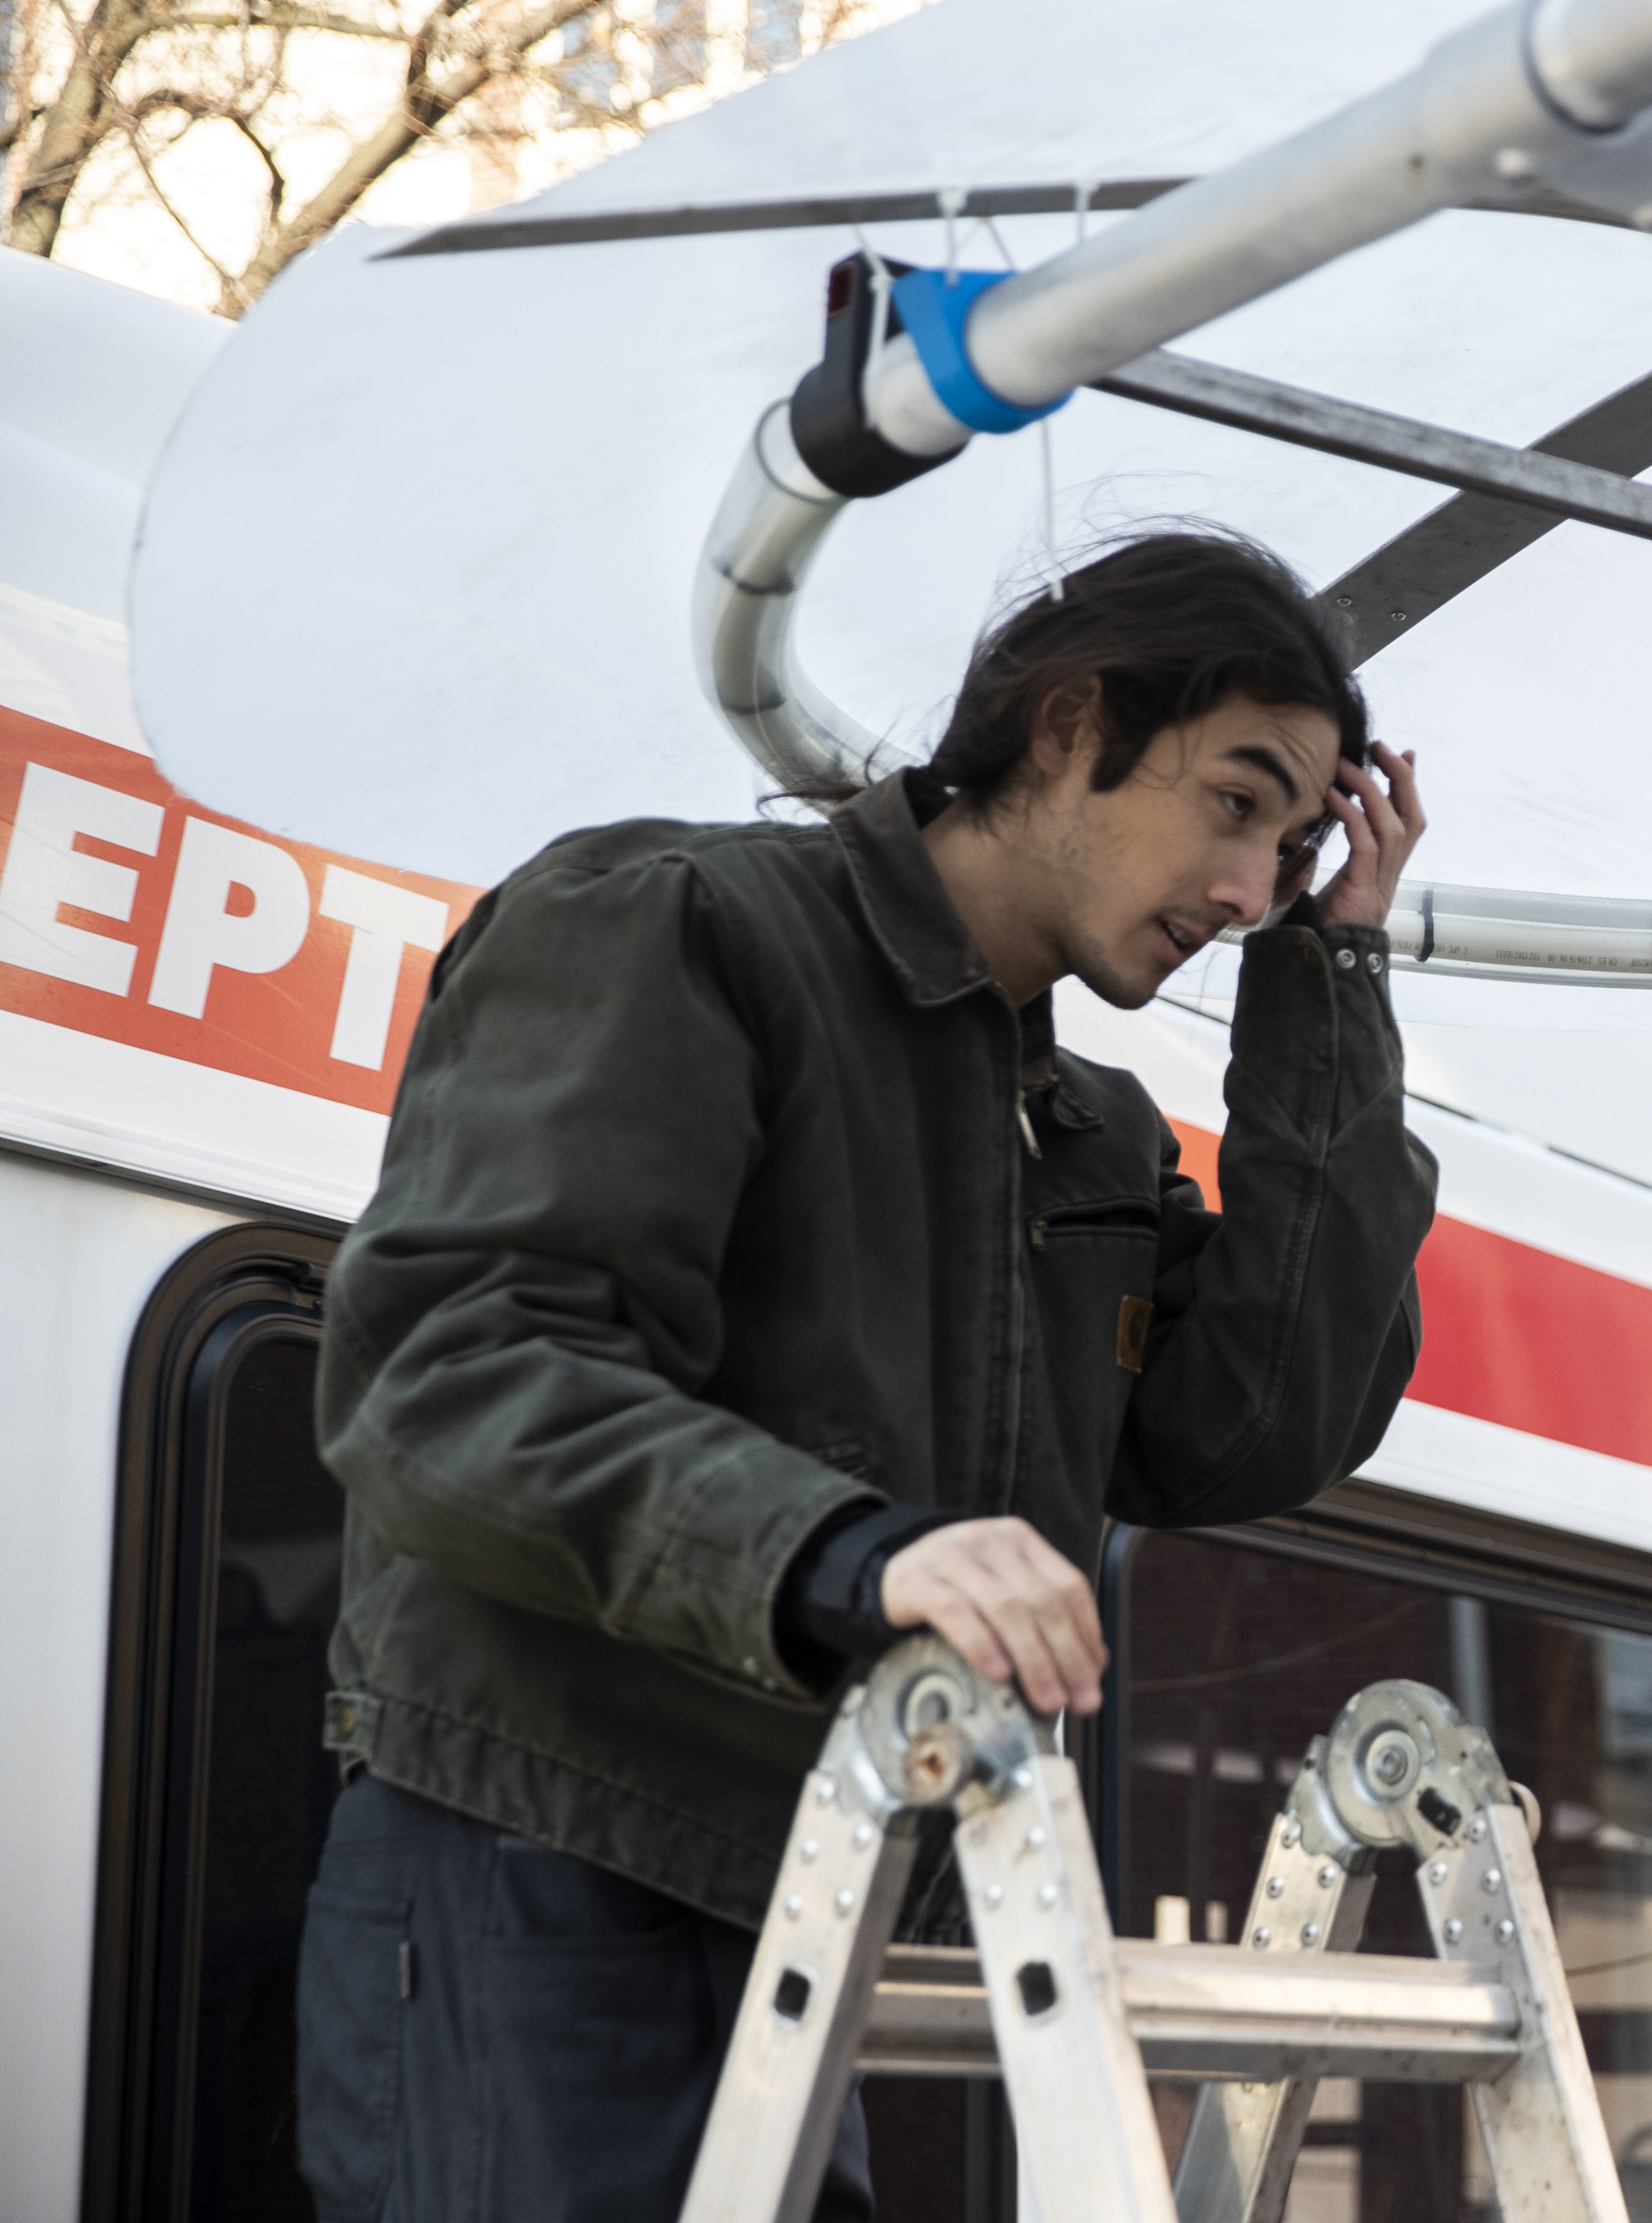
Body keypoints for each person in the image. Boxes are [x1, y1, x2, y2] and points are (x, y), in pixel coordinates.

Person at [294, 531, 1441, 2221]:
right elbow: (453, 1373)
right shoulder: (678, 924)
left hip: (810, 1912)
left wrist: (1330, 977)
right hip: (537, 1866)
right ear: (1067, 726)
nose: (1249, 888)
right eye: (1234, 802)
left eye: (1296, 841)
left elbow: (1253, 1432)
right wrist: (854, 1551)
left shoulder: (1084, 1131)